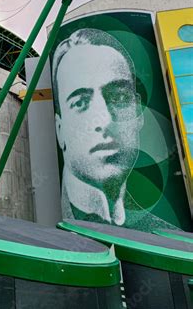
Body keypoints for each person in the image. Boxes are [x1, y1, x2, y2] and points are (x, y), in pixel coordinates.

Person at [52, 27, 176, 231]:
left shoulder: (164, 234)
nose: (105, 120)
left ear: (138, 114)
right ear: (60, 130)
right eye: (81, 102)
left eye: (119, 97)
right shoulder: (60, 234)